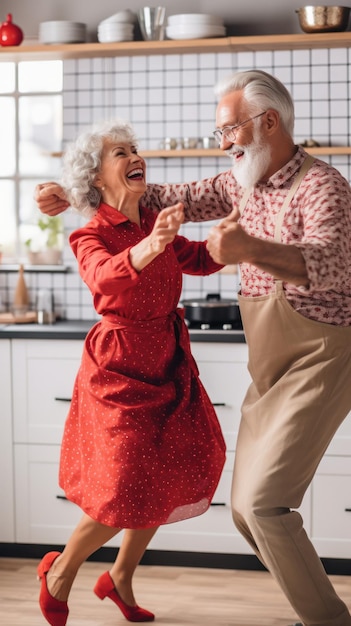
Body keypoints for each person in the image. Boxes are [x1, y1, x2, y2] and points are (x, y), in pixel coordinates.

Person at [35, 69, 351, 626]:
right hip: (216, 363)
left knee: (237, 499)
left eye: (228, 130)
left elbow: (331, 266)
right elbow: (151, 208)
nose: (223, 142)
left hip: (313, 352)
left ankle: (323, 618)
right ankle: (99, 573)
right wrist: (73, 191)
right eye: (218, 133)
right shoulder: (235, 183)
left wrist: (239, 246)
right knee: (222, 507)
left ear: (267, 123)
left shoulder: (322, 185)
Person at [36, 119, 226, 626]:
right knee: (120, 484)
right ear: (97, 177)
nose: (134, 156)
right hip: (118, 368)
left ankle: (119, 577)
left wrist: (232, 245)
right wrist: (152, 245)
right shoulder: (90, 233)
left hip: (165, 359)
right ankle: (60, 572)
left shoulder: (151, 220)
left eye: (134, 148)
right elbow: (105, 278)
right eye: (120, 152)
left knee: (162, 476)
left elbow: (201, 258)